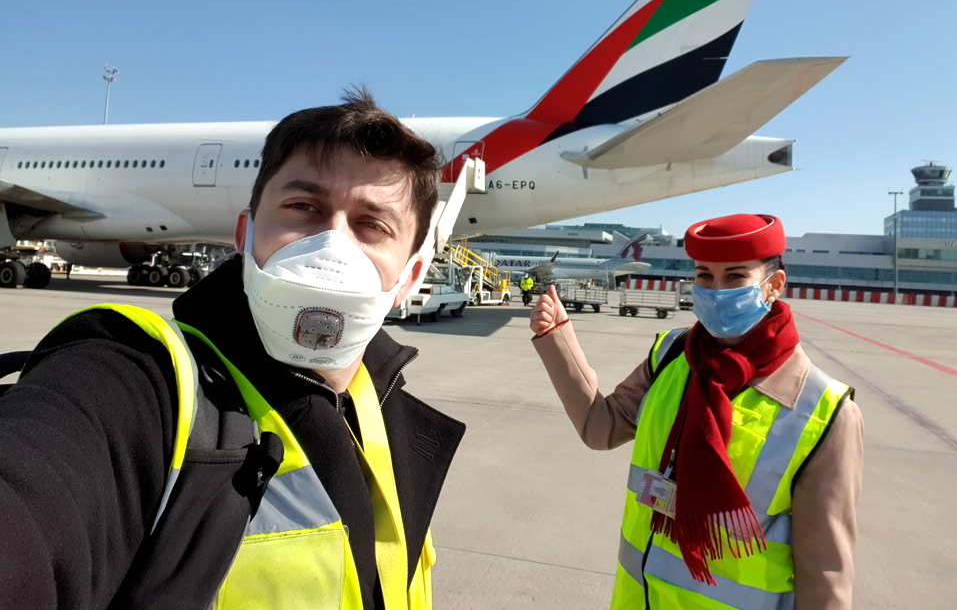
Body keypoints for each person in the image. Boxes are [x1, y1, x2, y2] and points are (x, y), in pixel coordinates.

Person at [0, 89, 465, 609]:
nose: (331, 247)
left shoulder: (384, 413)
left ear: (410, 278)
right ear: (244, 236)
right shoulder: (135, 383)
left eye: (371, 224)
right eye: (304, 208)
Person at [529, 214, 863, 609]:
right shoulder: (672, 354)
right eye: (705, 275)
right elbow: (601, 428)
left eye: (735, 277)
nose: (716, 291)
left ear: (774, 285)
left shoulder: (824, 412)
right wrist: (558, 338)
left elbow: (825, 573)